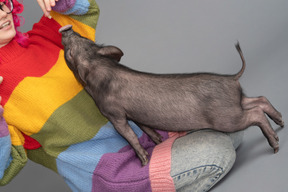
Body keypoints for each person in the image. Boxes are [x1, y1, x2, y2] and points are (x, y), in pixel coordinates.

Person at [0, 0, 243, 191]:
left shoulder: (43, 37)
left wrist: (60, 0)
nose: (2, 15)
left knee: (232, 125)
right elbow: (5, 170)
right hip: (113, 170)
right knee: (218, 152)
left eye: (2, 5)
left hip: (149, 131)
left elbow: (84, 9)